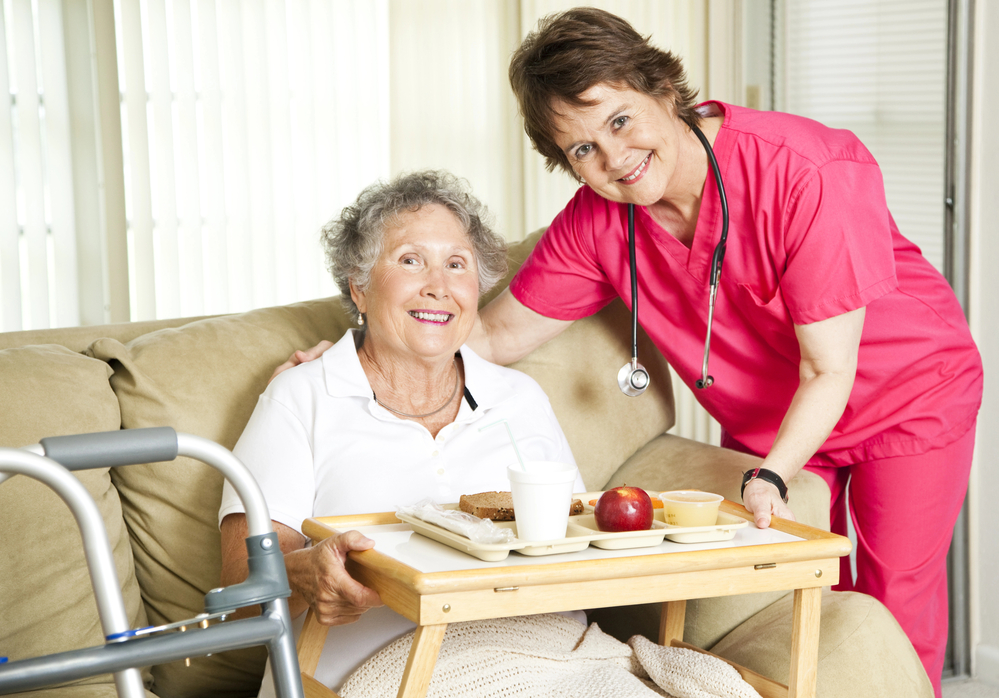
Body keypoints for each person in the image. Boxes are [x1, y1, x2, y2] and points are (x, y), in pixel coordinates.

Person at [274, 8, 982, 696]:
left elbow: (828, 367)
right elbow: (489, 335)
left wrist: (768, 474)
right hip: (771, 413)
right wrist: (357, 350)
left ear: (664, 91)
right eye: (581, 148)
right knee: (780, 595)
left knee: (890, 596)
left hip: (905, 393)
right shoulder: (595, 223)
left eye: (619, 120)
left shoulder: (806, 169)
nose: (614, 158)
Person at [219, 170, 585, 695]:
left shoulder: (520, 398)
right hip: (377, 674)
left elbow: (583, 551)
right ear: (359, 286)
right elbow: (239, 590)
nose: (438, 286)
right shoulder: (301, 396)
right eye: (411, 260)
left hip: (547, 662)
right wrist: (305, 574)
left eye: (456, 265)